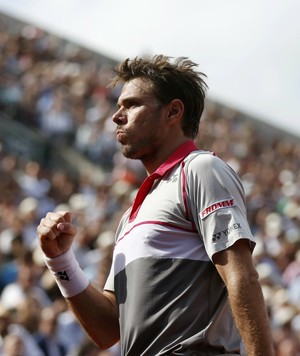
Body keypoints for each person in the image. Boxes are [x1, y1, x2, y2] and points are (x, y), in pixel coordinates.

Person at [37, 55, 275, 355]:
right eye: (118, 105)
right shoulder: (130, 216)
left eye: (132, 104)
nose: (116, 116)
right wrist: (60, 261)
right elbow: (108, 328)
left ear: (173, 112)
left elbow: (242, 278)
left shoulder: (201, 169)